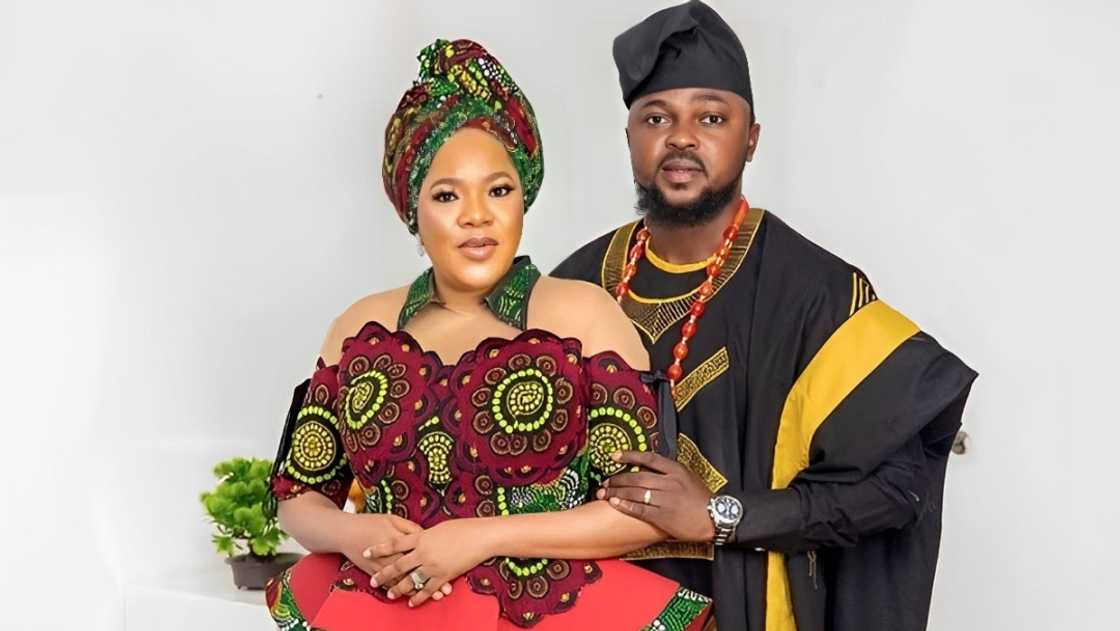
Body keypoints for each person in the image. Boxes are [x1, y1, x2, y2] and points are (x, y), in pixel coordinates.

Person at [551, 2, 978, 630]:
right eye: (656, 116)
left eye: (712, 117)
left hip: (748, 609)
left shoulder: (817, 294)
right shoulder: (573, 286)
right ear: (630, 136)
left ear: (751, 138)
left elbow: (895, 490)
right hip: (583, 611)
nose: (682, 136)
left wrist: (721, 515)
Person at [264, 38, 713, 631]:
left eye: (499, 189)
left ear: (523, 195)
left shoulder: (585, 315)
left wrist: (480, 538)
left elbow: (645, 510)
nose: (477, 215)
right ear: (412, 210)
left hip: (550, 612)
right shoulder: (358, 328)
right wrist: (352, 531)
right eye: (447, 195)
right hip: (379, 606)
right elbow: (299, 493)